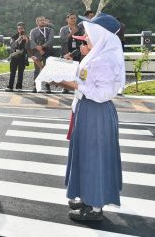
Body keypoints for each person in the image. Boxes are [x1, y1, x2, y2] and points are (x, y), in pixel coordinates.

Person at [55, 13, 124, 221]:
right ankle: (87, 197)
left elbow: (101, 93)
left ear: (100, 35)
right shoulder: (97, 55)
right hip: (88, 111)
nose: (86, 36)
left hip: (96, 113)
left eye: (90, 32)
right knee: (85, 156)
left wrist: (70, 84)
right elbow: (86, 80)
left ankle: (95, 209)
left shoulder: (105, 59)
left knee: (94, 159)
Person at [29, 16, 55, 93]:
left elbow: (51, 40)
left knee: (47, 69)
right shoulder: (33, 31)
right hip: (37, 52)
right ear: (37, 22)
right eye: (40, 20)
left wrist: (42, 47)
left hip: (48, 51)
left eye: (43, 20)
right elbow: (31, 40)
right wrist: (38, 48)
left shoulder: (50, 30)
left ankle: (48, 86)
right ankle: (36, 86)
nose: (42, 21)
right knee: (37, 69)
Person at [59, 13, 84, 93]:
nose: (73, 19)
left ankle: (77, 87)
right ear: (67, 19)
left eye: (74, 18)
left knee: (77, 70)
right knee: (66, 70)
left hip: (77, 52)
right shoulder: (63, 29)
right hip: (67, 52)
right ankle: (65, 88)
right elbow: (62, 40)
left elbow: (84, 40)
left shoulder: (80, 29)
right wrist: (71, 33)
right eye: (71, 18)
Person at [6, 22, 28, 91]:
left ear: (24, 29)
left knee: (21, 72)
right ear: (17, 29)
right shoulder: (13, 37)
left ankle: (19, 87)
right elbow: (12, 46)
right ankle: (10, 86)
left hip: (22, 57)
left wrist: (26, 40)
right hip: (14, 57)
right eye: (19, 28)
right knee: (12, 72)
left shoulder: (26, 37)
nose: (20, 30)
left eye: (21, 29)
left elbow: (27, 47)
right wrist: (18, 39)